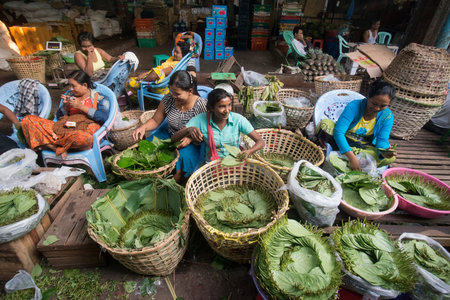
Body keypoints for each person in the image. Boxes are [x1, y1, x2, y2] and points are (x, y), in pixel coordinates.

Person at [132, 70, 207, 183]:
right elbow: (156, 120)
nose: (173, 96)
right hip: (168, 133)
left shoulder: (201, 105)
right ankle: (152, 177)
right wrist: (143, 127)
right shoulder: (169, 99)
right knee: (148, 149)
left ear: (190, 91)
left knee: (182, 159)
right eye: (171, 92)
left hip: (190, 141)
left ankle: (175, 182)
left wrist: (190, 138)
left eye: (177, 94)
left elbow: (207, 128)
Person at [21, 71, 110, 160]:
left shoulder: (99, 98)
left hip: (82, 132)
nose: (70, 89)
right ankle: (54, 147)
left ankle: (47, 143)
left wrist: (81, 107)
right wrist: (65, 107)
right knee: (27, 120)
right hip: (63, 129)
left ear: (85, 85)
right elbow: (58, 119)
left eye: (73, 86)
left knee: (83, 138)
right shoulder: (70, 96)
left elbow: (104, 117)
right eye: (70, 86)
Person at [315, 80, 397, 170]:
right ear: (368, 97)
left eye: (383, 106)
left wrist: (384, 151)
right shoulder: (353, 107)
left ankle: (345, 160)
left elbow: (382, 140)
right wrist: (352, 157)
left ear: (388, 104)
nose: (377, 108)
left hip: (363, 146)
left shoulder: (387, 116)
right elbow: (339, 132)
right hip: (344, 140)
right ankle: (354, 160)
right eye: (374, 103)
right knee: (325, 124)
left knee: (391, 158)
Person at [171, 88, 265, 163]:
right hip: (212, 164)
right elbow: (173, 139)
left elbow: (260, 141)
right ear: (211, 108)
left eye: (229, 105)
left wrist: (248, 152)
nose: (227, 110)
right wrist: (188, 130)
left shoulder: (238, 120)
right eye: (221, 106)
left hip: (235, 161)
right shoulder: (201, 120)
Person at [126, 41, 191, 97]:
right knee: (132, 80)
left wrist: (144, 76)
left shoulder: (176, 65)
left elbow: (161, 72)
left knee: (129, 82)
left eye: (177, 52)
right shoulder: (173, 59)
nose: (174, 53)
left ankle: (142, 83)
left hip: (160, 83)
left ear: (183, 55)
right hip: (154, 76)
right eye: (175, 51)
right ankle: (142, 90)